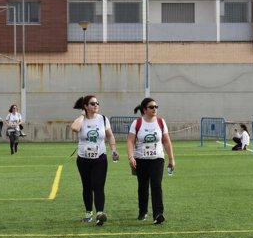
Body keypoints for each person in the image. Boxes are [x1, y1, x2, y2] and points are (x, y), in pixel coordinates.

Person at [71, 95, 119, 226]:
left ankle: (99, 213)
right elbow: (74, 128)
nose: (96, 105)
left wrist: (113, 150)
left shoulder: (103, 119)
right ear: (86, 106)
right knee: (87, 186)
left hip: (100, 158)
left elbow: (110, 135)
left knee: (98, 186)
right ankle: (88, 212)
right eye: (92, 104)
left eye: (97, 103)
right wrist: (82, 115)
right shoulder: (81, 120)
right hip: (83, 159)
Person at [126, 98, 175, 225]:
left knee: (156, 185)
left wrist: (171, 159)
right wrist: (131, 157)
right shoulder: (137, 123)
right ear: (144, 110)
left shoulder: (160, 122)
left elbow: (166, 141)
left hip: (157, 159)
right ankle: (143, 211)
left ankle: (158, 214)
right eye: (152, 107)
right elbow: (130, 141)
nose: (155, 109)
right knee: (142, 187)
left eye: (156, 107)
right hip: (140, 159)